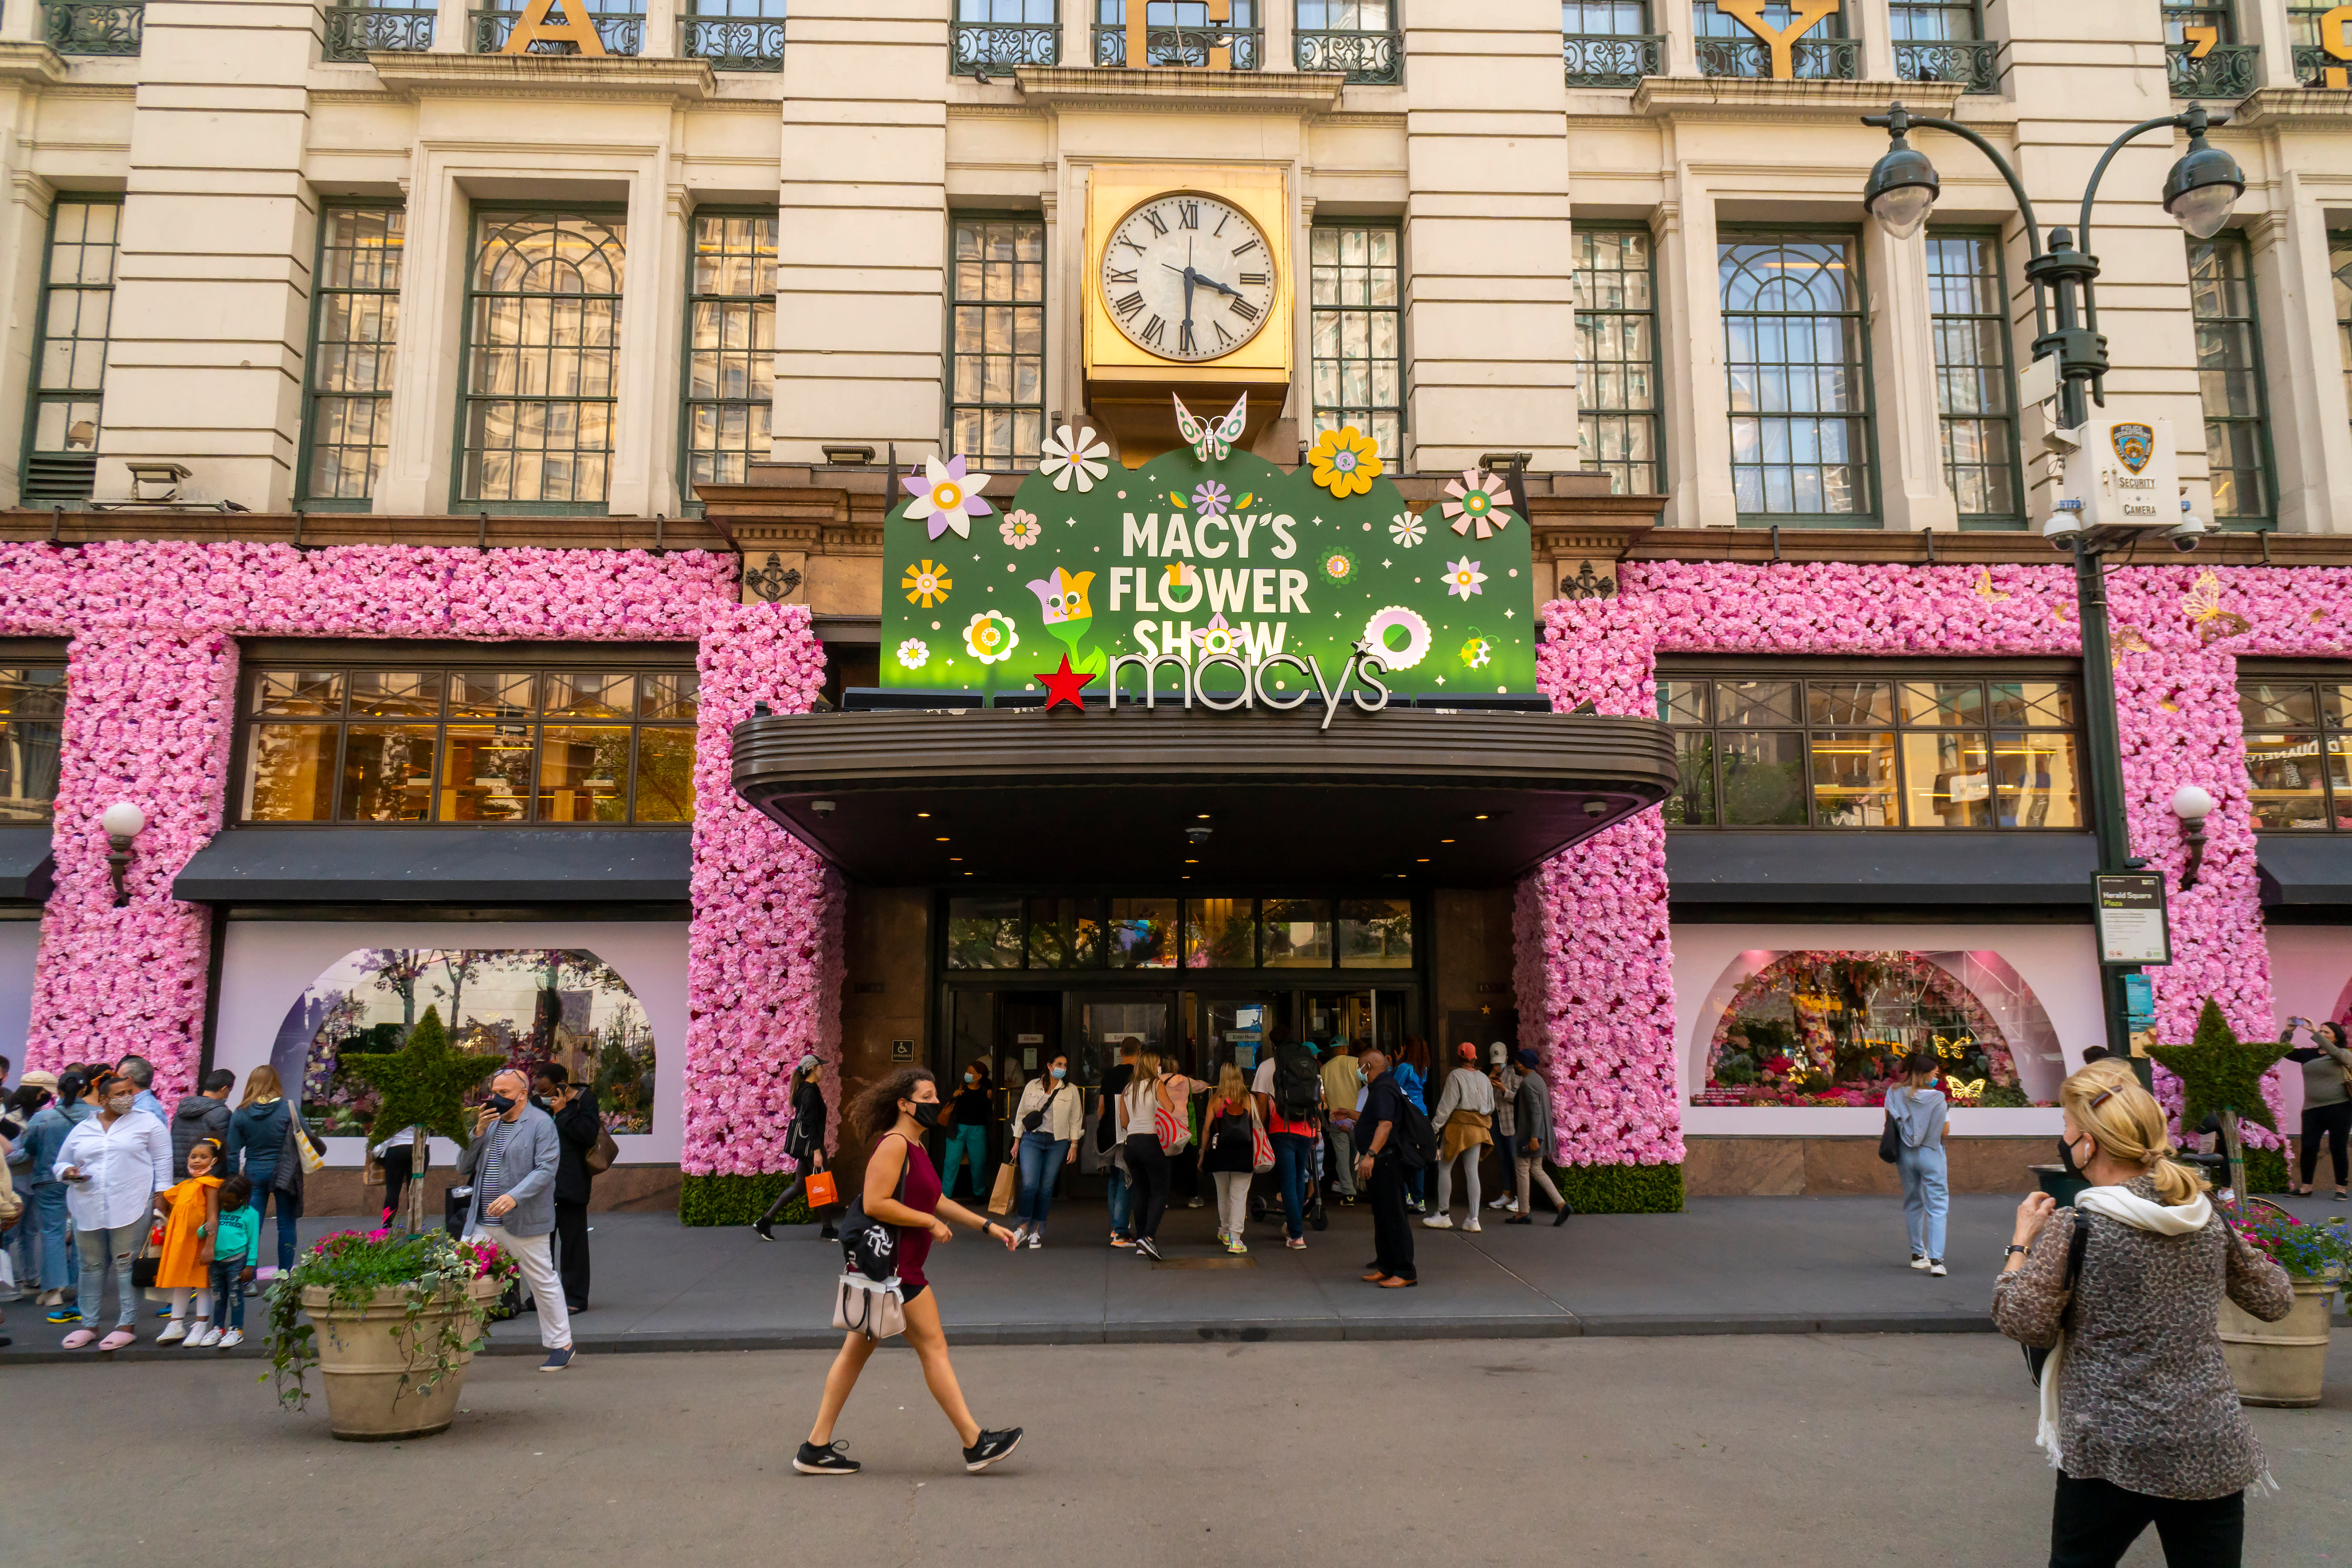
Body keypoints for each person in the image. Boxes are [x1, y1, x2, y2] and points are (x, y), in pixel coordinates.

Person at [1993, 1060, 2294, 1568]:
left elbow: (2021, 1318)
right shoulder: (2204, 1214)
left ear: (2090, 1142)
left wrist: (2020, 1241)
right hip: (2208, 1440)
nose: (2064, 1140)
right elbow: (2275, 1299)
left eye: (2067, 1128)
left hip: (2110, 1448)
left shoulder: (2077, 1225)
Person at [794, 1067, 1022, 1477]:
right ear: (905, 1104)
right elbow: (876, 1202)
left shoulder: (915, 1146)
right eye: (929, 1096)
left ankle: (815, 1447)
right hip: (898, 1271)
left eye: (937, 1097)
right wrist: (927, 1222)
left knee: (854, 1356)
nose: (937, 1103)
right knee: (933, 1349)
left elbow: (938, 1199)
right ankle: (975, 1442)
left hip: (893, 1270)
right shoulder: (895, 1145)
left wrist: (987, 1226)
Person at [456, 1067, 576, 1372]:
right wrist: (478, 1132)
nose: (497, 1098)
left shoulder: (541, 1124)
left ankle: (561, 1344)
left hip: (523, 1220)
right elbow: (463, 1166)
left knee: (542, 1281)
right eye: (494, 1091)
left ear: (523, 1093)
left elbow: (546, 1170)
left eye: (504, 1093)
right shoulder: (491, 1124)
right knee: (458, 1276)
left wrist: (514, 1196)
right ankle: (454, 1344)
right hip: (482, 1221)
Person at [55, 1072, 170, 1350]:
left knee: (125, 1264)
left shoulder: (147, 1122)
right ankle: (89, 1325)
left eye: (129, 1092)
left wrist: (161, 1198)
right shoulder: (84, 1127)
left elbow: (163, 1160)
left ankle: (126, 1325)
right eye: (119, 1095)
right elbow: (60, 1163)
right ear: (103, 1099)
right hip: (88, 1204)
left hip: (132, 1203)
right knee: (90, 1266)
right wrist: (68, 1172)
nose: (127, 1098)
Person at [225, 1066, 317, 1274]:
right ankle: (284, 1275)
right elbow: (309, 1136)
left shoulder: (241, 1113)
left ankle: (248, 1278)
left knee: (252, 1226)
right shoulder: (289, 1108)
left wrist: (232, 1179)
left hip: (254, 1173)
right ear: (275, 1083)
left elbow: (232, 1152)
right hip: (285, 1173)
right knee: (286, 1225)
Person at [535, 1062, 602, 1314]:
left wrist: (563, 1112)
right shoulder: (535, 1103)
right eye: (539, 1091)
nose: (542, 1096)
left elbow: (587, 1135)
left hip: (571, 1182)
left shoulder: (584, 1100)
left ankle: (575, 1297)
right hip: (541, 1184)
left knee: (573, 1243)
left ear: (562, 1083)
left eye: (546, 1090)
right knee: (541, 1245)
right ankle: (541, 1298)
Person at [1252, 1027, 1322, 1250]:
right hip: (1307, 1129)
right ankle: (1294, 1227)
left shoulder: (1267, 1067)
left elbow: (1262, 1105)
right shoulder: (1309, 1063)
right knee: (1299, 1178)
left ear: (1273, 1045)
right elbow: (1318, 1100)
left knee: (1288, 1181)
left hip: (1281, 1129)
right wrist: (1318, 1129)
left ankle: (1296, 1234)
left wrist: (1260, 1131)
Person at [756, 1055, 839, 1242]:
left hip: (808, 1146)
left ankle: (765, 1221)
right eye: (820, 1067)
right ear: (813, 1069)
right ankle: (827, 1229)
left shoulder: (805, 1089)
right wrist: (817, 1151)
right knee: (822, 1183)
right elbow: (809, 1122)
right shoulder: (810, 1091)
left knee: (799, 1186)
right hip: (812, 1147)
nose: (823, 1070)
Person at [1882, 1051, 1950, 1275]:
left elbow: (1889, 1121)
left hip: (1906, 1154)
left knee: (1913, 1202)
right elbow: (1945, 1130)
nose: (1937, 1077)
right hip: (1931, 1153)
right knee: (1938, 1206)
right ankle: (1937, 1261)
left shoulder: (1893, 1093)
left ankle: (1917, 1254)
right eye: (1935, 1073)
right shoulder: (1937, 1098)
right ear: (1925, 1074)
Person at [153, 1135, 224, 1345]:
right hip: (180, 1243)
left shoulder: (211, 1185)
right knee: (181, 1281)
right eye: (193, 1156)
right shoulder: (184, 1185)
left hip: (200, 1244)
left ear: (214, 1162)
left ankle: (201, 1324)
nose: (197, 1161)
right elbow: (164, 1200)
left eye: (204, 1157)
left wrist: (210, 1246)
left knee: (202, 1283)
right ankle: (175, 1324)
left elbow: (213, 1217)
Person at [1354, 1049, 1416, 1287]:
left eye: (1361, 1066)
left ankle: (1405, 1271)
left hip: (1387, 1161)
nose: (1359, 1071)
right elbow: (1375, 1119)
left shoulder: (1383, 1089)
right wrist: (1350, 1116)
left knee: (1394, 1216)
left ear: (1369, 1067)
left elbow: (1386, 1124)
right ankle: (1387, 1265)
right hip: (1383, 1161)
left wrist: (1370, 1155)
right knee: (1382, 1216)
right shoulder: (1382, 1088)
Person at [14, 1071, 75, 1313]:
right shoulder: (92, 1115)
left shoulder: (44, 1117)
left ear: (58, 1092)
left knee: (52, 1233)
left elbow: (30, 1147)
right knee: (80, 1232)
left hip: (48, 1179)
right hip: (81, 1179)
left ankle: (53, 1291)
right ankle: (78, 1284)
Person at [1009, 1051, 1082, 1248]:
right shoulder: (1032, 1086)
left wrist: (1074, 1145)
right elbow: (1021, 1114)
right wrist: (1017, 1141)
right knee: (1029, 1185)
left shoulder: (1071, 1090)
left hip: (1057, 1142)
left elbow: (1076, 1119)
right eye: (1059, 1064)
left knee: (1046, 1188)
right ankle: (1023, 1226)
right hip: (1031, 1139)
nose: (1063, 1069)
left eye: (1065, 1065)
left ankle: (1037, 1230)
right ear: (1050, 1066)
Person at [1425, 1042, 1495, 1231]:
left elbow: (1446, 1107)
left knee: (1445, 1167)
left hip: (1458, 1128)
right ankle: (1474, 1220)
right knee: (1472, 1171)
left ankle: (1444, 1214)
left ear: (1459, 1057)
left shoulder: (1455, 1076)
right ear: (1475, 1057)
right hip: (1479, 1128)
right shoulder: (1484, 1079)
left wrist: (1434, 1129)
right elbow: (1491, 1106)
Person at [1118, 1050, 1178, 1260]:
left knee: (1141, 1191)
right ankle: (1149, 1238)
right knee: (1160, 1191)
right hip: (1151, 1141)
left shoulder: (1128, 1088)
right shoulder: (1156, 1084)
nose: (1159, 1067)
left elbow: (1124, 1122)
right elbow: (1169, 1108)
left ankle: (1141, 1239)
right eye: (1158, 1064)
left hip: (1131, 1143)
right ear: (1153, 1065)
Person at [2283, 1018, 2352, 1198]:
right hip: (2312, 1109)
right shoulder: (2309, 1055)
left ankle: (2341, 1189)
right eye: (2321, 1032)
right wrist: (2288, 1032)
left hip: (2340, 1108)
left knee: (2338, 1147)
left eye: (2326, 1032)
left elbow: (2338, 1055)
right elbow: (2283, 1051)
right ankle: (2306, 1187)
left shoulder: (2342, 1053)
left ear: (2336, 1038)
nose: (2322, 1035)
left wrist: (2314, 1031)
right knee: (2308, 1147)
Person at [1504, 1050, 1573, 1226]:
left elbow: (1535, 1112)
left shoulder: (1528, 1084)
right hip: (1537, 1135)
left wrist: (1534, 1137)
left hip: (1529, 1137)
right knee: (1536, 1170)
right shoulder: (1538, 1080)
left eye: (1518, 1062)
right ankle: (1561, 1205)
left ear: (1525, 1064)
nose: (1516, 1065)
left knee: (1522, 1169)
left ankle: (1523, 1212)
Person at [1198, 1063, 1259, 1255]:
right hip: (1243, 1154)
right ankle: (1235, 1239)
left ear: (1222, 1077)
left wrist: (1202, 1155)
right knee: (1239, 1196)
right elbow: (1256, 1126)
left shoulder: (1216, 1100)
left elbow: (1207, 1129)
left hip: (1219, 1154)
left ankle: (1225, 1231)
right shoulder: (1249, 1099)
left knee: (1223, 1194)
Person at [206, 1171, 259, 1349]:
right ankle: (218, 1329)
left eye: (230, 1202)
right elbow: (208, 1228)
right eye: (223, 1202)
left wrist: (250, 1266)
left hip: (237, 1261)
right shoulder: (219, 1211)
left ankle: (236, 1330)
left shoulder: (250, 1214)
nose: (226, 1205)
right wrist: (202, 1230)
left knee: (235, 1296)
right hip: (216, 1262)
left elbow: (253, 1242)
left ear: (244, 1199)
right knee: (219, 1297)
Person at [1097, 1040, 1141, 1247]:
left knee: (1115, 1179)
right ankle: (1121, 1232)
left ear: (1120, 1052)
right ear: (1139, 1052)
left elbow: (1101, 1109)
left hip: (1108, 1133)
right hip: (1128, 1132)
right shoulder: (1139, 1077)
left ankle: (1116, 1228)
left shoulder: (1109, 1075)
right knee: (1127, 1180)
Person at [939, 1059, 994, 1204]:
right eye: (967, 1071)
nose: (967, 1074)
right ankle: (945, 1196)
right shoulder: (959, 1086)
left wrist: (991, 1099)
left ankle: (979, 1194)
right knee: (951, 1162)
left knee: (979, 1163)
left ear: (979, 1076)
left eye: (971, 1072)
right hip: (957, 1129)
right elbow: (943, 1102)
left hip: (978, 1130)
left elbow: (992, 1112)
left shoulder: (986, 1090)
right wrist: (954, 1096)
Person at [169, 1068, 235, 1182]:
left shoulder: (182, 1109)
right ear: (225, 1089)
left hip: (178, 1177)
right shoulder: (221, 1113)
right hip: (206, 1179)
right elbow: (224, 1150)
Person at [1394, 1037, 1433, 1213]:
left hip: (1407, 1115)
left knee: (1402, 1155)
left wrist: (1397, 1062)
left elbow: (1393, 1086)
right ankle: (1420, 1200)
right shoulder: (1423, 1068)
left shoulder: (1405, 1068)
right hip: (1422, 1114)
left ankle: (1406, 1196)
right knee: (1419, 1158)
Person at [1321, 1042, 1362, 1206]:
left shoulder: (1324, 1069)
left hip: (1337, 1120)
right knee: (1355, 1157)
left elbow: (1323, 1097)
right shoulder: (1357, 1063)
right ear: (1346, 1048)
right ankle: (1355, 1189)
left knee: (1343, 1158)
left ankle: (1349, 1194)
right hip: (1357, 1119)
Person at [1486, 1043, 1521, 1214]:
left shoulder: (1514, 1072)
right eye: (1496, 1063)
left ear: (1507, 1059)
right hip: (1496, 1124)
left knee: (1516, 1161)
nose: (1499, 1065)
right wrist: (1490, 1079)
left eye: (1501, 1062)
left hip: (1511, 1124)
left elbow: (1520, 1099)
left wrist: (1504, 1089)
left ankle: (1521, 1198)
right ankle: (1506, 1194)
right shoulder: (1489, 1076)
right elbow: (1484, 1099)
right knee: (1504, 1160)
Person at [114, 1055, 165, 1123]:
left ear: (129, 1081)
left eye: (119, 1079)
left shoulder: (144, 1110)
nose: (116, 1083)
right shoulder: (143, 1105)